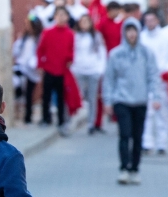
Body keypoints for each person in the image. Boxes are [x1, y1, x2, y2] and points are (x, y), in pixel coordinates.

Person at [103, 18, 160, 185]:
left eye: (134, 30)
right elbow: (109, 79)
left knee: (137, 136)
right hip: (122, 100)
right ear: (124, 33)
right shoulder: (116, 54)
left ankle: (135, 168)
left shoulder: (146, 53)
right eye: (128, 30)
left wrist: (155, 96)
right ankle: (124, 168)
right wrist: (108, 100)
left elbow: (152, 76)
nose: (131, 34)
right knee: (125, 134)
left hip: (140, 100)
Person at [37, 6, 75, 135]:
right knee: (46, 96)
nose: (61, 17)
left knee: (61, 97)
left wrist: (70, 60)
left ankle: (61, 121)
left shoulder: (70, 34)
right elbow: (40, 50)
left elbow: (71, 51)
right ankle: (45, 118)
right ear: (55, 17)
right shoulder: (47, 32)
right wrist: (40, 65)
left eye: (64, 15)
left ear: (67, 17)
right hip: (49, 68)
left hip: (62, 70)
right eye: (59, 15)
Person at [141, 11, 168, 155]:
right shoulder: (142, 38)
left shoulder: (165, 37)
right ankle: (147, 143)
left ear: (157, 21)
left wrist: (167, 70)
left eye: (152, 20)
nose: (150, 23)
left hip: (162, 78)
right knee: (147, 112)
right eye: (147, 20)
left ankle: (162, 143)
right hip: (146, 80)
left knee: (162, 112)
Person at [72, 14, 107, 134]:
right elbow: (72, 52)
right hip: (79, 70)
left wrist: (100, 70)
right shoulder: (75, 36)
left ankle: (91, 123)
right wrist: (74, 68)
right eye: (82, 21)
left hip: (93, 70)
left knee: (92, 98)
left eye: (87, 21)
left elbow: (102, 53)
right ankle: (75, 120)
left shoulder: (96, 36)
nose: (85, 24)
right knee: (79, 96)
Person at [95, 1, 124, 131]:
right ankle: (98, 121)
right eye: (114, 10)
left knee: (119, 89)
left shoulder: (121, 24)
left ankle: (116, 115)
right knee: (104, 91)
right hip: (105, 61)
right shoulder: (102, 23)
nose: (116, 13)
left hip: (119, 61)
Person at [13, 15, 44, 124]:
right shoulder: (24, 38)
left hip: (32, 69)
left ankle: (28, 116)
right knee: (19, 88)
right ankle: (20, 113)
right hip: (21, 67)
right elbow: (16, 50)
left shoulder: (40, 38)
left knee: (29, 93)